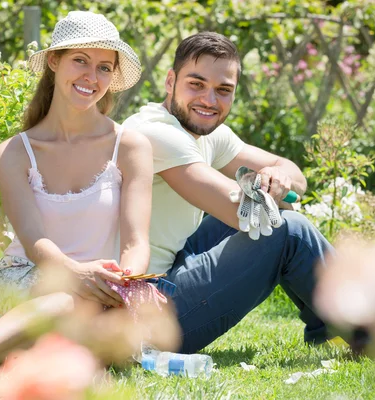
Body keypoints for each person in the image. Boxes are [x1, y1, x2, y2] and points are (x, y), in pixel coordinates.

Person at [0, 11, 158, 395]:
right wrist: (77, 274)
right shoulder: (15, 154)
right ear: (54, 62)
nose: (92, 77)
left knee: (83, 326)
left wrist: (123, 285)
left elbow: (137, 242)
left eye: (104, 67)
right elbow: (35, 243)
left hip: (98, 292)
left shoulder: (131, 146)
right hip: (24, 283)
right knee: (65, 303)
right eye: (80, 61)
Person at [122, 31, 337, 354]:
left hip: (171, 267)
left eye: (223, 90)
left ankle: (333, 326)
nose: (209, 100)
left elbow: (295, 175)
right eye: (196, 84)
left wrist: (278, 176)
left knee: (283, 215)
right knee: (288, 229)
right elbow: (242, 211)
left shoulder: (207, 132)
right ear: (170, 82)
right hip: (143, 309)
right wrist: (270, 192)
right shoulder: (156, 133)